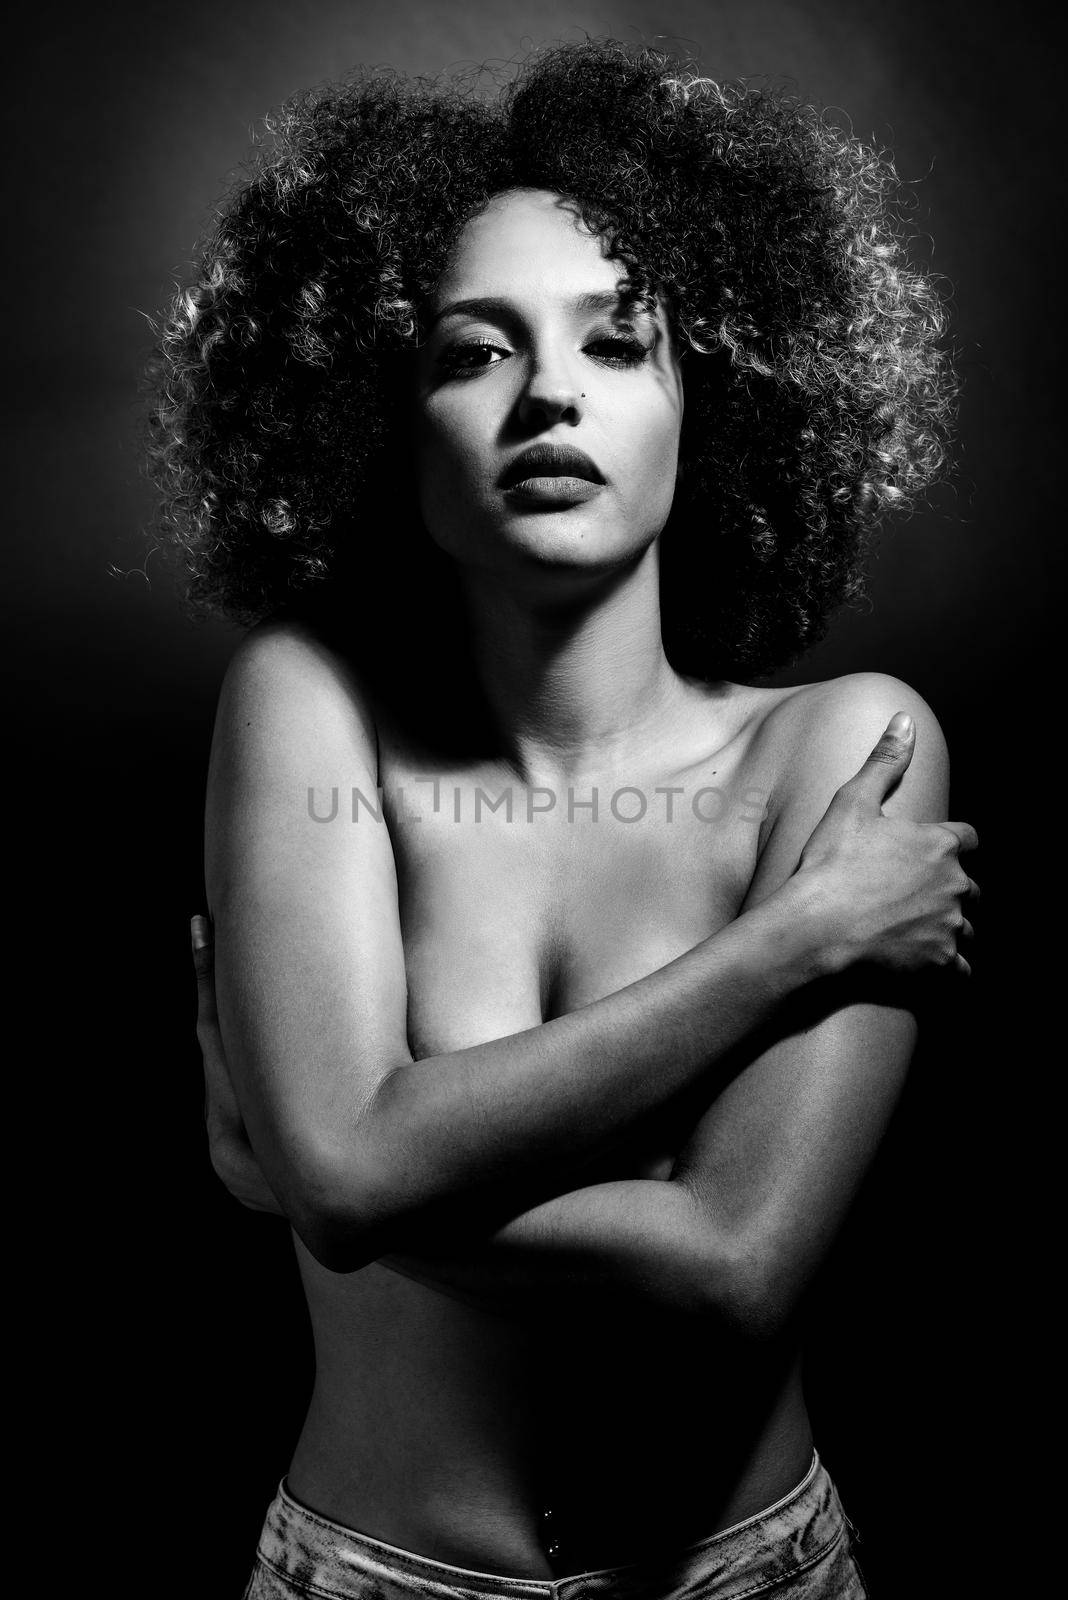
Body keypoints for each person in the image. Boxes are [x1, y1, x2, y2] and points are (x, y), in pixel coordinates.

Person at [152, 40, 978, 1599]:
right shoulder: (304, 708)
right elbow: (346, 1175)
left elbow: (737, 1268)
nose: (549, 395)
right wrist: (791, 943)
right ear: (379, 422)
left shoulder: (848, 749)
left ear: (713, 395)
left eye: (618, 343)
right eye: (473, 353)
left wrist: (350, 1173)